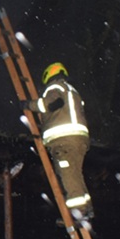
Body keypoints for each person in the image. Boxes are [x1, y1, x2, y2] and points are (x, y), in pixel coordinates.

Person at [31, 62, 93, 219]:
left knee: (68, 175)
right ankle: (87, 208)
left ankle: (79, 212)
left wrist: (27, 104)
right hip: (79, 140)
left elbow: (46, 104)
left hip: (64, 140)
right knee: (76, 174)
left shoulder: (55, 88)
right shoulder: (73, 91)